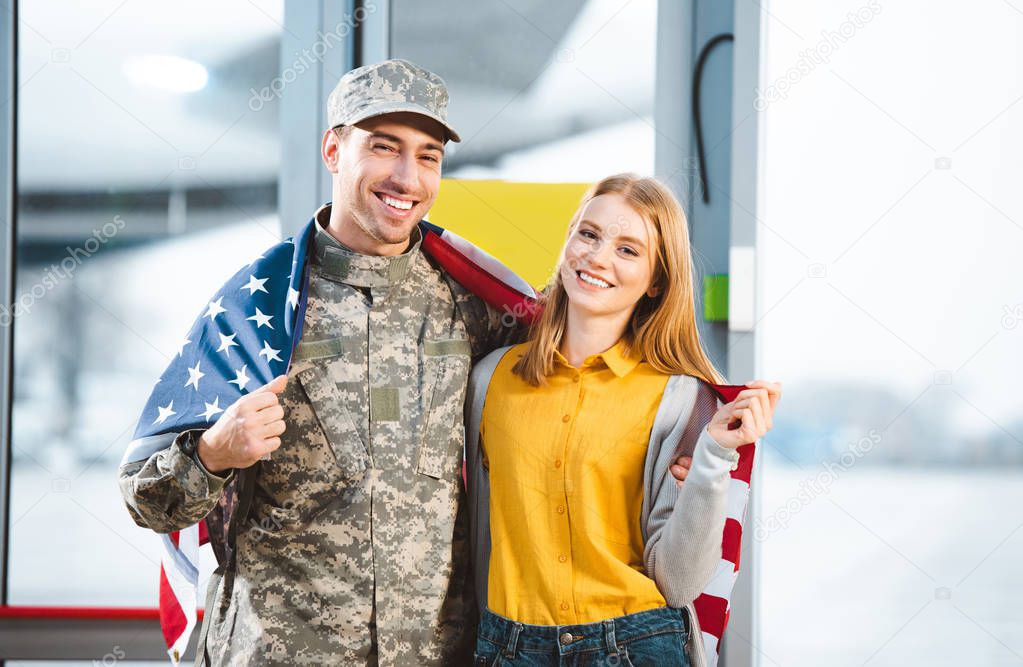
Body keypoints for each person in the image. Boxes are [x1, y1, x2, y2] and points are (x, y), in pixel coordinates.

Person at [118, 59, 700, 665]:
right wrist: (214, 454)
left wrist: (679, 447)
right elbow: (144, 501)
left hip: (436, 654)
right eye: (384, 147)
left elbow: (578, 387)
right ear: (334, 150)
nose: (406, 175)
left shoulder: (477, 308)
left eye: (427, 155)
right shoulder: (258, 309)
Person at [464, 174, 782, 666]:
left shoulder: (683, 400)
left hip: (635, 646)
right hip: (509, 647)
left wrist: (714, 458)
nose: (597, 257)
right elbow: (478, 535)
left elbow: (679, 581)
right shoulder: (491, 379)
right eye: (588, 234)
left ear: (657, 280)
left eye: (628, 250)